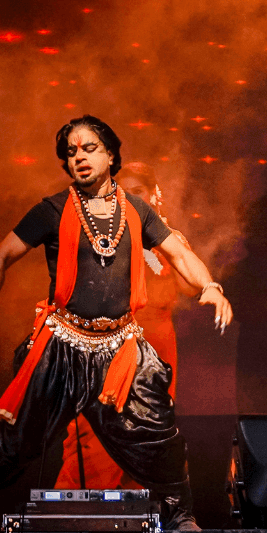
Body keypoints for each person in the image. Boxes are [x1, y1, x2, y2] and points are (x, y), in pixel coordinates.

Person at [0, 116, 233, 530]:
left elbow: (179, 254)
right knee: (17, 441)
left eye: (89, 148)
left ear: (110, 156)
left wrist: (209, 286)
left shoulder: (137, 211)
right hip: (62, 346)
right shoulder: (52, 210)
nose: (79, 158)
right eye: (71, 152)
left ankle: (181, 515)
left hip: (120, 347)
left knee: (158, 435)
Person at [54, 161, 198, 488]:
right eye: (122, 192)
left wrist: (164, 245)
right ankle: (79, 512)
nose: (129, 198)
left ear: (155, 194)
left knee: (148, 434)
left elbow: (190, 288)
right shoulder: (100, 237)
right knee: (99, 435)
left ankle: (138, 514)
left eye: (138, 191)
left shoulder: (170, 240)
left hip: (157, 348)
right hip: (109, 347)